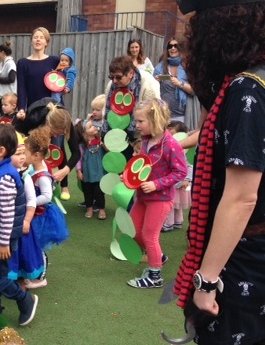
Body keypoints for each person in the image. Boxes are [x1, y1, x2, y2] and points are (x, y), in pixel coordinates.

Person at [172, 3, 265, 343]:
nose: (191, 36)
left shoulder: (247, 88)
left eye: (197, 25)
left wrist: (207, 281)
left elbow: (242, 197)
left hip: (246, 259)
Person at [0, 124, 38, 326]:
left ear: (1, 151)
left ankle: (25, 299)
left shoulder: (5, 177)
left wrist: (4, 243)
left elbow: (8, 214)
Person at [126, 99, 186, 289]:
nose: (137, 125)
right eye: (136, 121)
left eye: (140, 121)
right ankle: (158, 257)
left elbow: (180, 172)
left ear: (156, 120)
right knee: (133, 230)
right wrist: (128, 177)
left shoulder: (171, 145)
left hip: (160, 199)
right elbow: (142, 166)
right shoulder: (145, 140)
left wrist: (156, 184)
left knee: (149, 234)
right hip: (143, 197)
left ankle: (155, 276)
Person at [24, 127, 69, 288]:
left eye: (26, 153)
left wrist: (30, 201)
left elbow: (47, 196)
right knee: (33, 245)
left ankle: (41, 277)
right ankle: (32, 272)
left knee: (38, 246)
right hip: (35, 213)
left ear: (36, 155)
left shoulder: (41, 175)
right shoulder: (35, 167)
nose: (24, 156)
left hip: (41, 216)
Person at [101, 56, 160, 160]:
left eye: (119, 77)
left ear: (131, 74)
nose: (114, 81)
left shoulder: (148, 84)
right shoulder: (112, 85)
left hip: (140, 136)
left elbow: (154, 117)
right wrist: (106, 137)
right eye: (111, 77)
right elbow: (106, 112)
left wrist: (142, 141)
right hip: (116, 135)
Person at [8, 131, 44, 288]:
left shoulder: (25, 176)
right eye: (17, 153)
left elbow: (31, 201)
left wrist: (27, 220)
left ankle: (21, 282)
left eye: (23, 153)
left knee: (22, 253)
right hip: (6, 223)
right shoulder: (3, 173)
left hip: (21, 222)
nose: (22, 157)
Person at [15, 27, 60, 120]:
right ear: (31, 41)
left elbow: (64, 78)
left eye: (41, 37)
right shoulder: (23, 63)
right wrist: (21, 109)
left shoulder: (55, 61)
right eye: (35, 37)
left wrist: (67, 88)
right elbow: (21, 88)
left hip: (52, 109)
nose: (38, 39)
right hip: (33, 109)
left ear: (46, 42)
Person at [45, 103, 81, 201]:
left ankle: (63, 186)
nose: (57, 136)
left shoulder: (65, 121)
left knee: (58, 148)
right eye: (57, 133)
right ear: (49, 125)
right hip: (35, 126)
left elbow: (76, 153)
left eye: (62, 133)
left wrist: (65, 171)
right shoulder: (35, 118)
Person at [153, 38, 194, 123]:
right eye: (170, 46)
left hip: (182, 116)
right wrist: (155, 81)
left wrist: (179, 84)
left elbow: (193, 91)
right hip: (163, 115)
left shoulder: (187, 67)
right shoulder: (160, 67)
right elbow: (152, 89)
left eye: (175, 46)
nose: (173, 48)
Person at [161, 121, 191, 232]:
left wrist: (187, 179)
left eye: (172, 132)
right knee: (175, 203)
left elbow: (189, 165)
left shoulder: (181, 149)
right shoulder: (170, 146)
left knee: (171, 204)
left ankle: (168, 223)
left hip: (176, 182)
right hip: (175, 181)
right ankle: (177, 221)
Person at [78, 117, 106, 220]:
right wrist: (79, 171)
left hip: (99, 172)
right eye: (90, 126)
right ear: (84, 133)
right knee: (87, 191)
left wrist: (104, 146)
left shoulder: (100, 142)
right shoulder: (83, 145)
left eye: (94, 125)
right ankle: (89, 208)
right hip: (87, 173)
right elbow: (79, 160)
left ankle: (102, 209)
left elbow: (108, 153)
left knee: (99, 191)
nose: (94, 127)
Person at [0, 42, 17, 116]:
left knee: (9, 116)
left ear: (2, 52)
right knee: (3, 115)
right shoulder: (2, 63)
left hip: (8, 95)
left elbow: (11, 79)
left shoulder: (10, 63)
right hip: (1, 94)